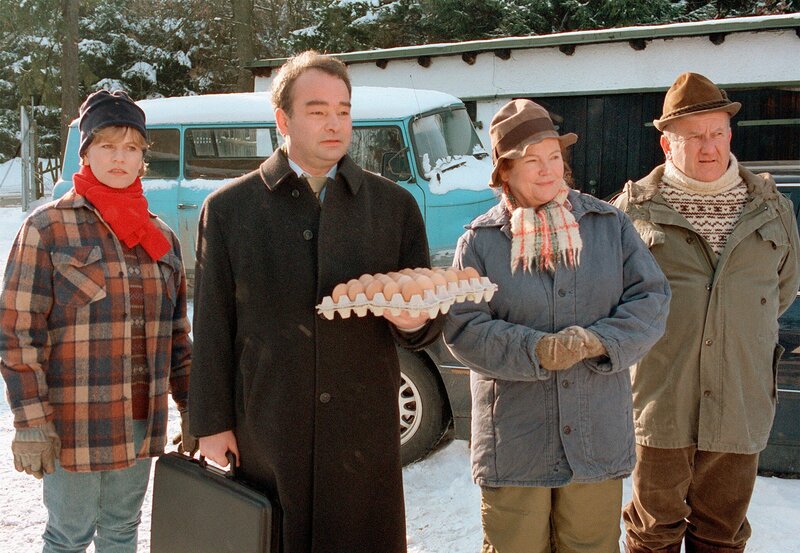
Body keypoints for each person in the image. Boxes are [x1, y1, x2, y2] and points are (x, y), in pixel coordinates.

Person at [188, 51, 443, 553]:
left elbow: (425, 318)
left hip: (362, 430)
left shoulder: (394, 207)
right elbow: (214, 327)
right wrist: (210, 425)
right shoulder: (228, 210)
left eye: (343, 110)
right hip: (268, 426)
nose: (335, 123)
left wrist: (415, 322)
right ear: (283, 119)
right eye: (317, 110)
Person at [443, 99, 671, 553]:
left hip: (594, 439)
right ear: (504, 172)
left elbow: (652, 299)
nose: (548, 170)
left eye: (554, 156)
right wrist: (534, 350)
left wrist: (599, 340)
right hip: (516, 443)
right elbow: (463, 327)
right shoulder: (480, 242)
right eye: (532, 160)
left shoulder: (609, 226)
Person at [613, 72, 800, 553]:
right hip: (661, 404)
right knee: (651, 532)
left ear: (730, 134)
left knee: (722, 534)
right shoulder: (633, 212)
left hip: (739, 401)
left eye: (717, 132)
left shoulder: (773, 209)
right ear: (666, 144)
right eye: (693, 136)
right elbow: (613, 303)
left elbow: (782, 291)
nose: (708, 146)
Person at [0, 90, 194, 552]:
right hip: (72, 422)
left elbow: (177, 338)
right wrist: (30, 421)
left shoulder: (161, 237)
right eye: (108, 145)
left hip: (138, 419)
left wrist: (193, 406)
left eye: (132, 147)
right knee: (68, 536)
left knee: (123, 531)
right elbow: (17, 330)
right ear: (85, 152)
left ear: (144, 157)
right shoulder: (48, 227)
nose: (120, 158)